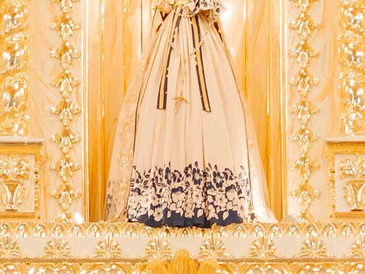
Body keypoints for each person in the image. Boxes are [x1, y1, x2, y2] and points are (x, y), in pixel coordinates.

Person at [104, 0, 265, 227]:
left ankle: (212, 202)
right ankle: (157, 201)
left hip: (202, 38)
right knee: (159, 110)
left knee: (210, 112)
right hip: (170, 40)